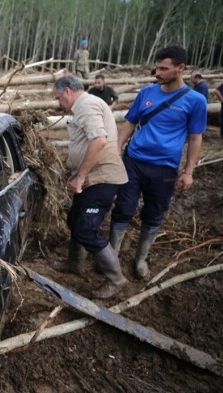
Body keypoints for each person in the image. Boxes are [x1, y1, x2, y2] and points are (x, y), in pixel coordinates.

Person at [109, 46, 207, 281]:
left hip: (165, 167)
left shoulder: (196, 101)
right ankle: (111, 256)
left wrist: (188, 171)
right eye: (157, 67)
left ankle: (140, 259)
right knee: (123, 206)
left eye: (164, 68)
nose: (158, 72)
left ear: (180, 68)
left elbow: (195, 137)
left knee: (154, 212)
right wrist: (117, 148)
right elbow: (130, 122)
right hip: (134, 160)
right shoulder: (146, 93)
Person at [52, 75, 129, 298]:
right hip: (91, 177)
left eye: (58, 98)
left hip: (102, 178)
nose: (59, 104)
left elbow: (99, 141)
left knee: (86, 229)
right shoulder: (85, 106)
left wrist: (80, 176)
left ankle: (116, 279)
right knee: (74, 220)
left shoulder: (86, 105)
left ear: (67, 91)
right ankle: (74, 264)